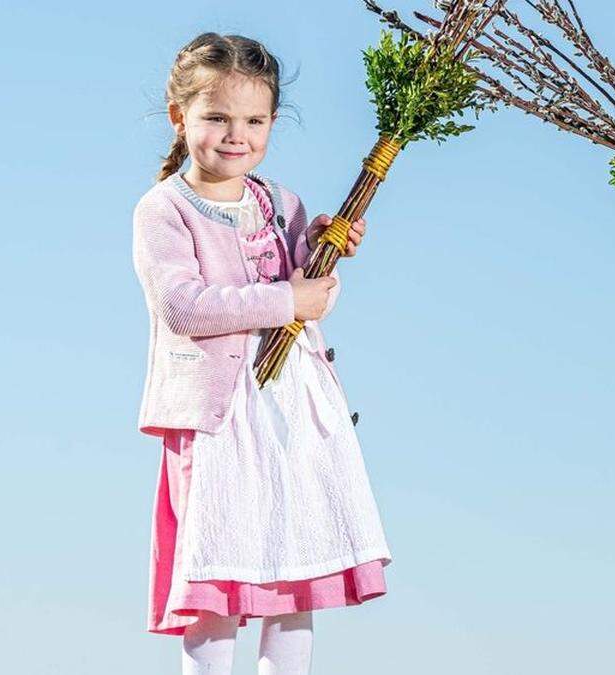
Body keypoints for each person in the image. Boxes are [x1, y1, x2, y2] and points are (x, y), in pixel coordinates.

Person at [132, 32, 389, 674]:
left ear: (272, 122)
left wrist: (326, 252)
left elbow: (312, 296)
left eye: (253, 119)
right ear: (179, 117)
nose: (234, 133)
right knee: (218, 581)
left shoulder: (282, 204)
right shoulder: (164, 210)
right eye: (216, 117)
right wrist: (288, 300)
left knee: (294, 577)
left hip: (290, 407)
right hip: (218, 418)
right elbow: (185, 306)